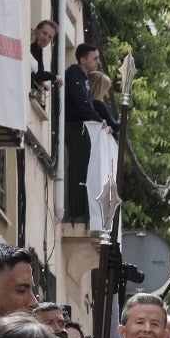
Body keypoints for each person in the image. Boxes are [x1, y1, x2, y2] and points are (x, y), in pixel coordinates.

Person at [64, 42, 103, 221]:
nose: (98, 62)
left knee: (83, 169)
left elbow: (87, 106)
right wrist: (99, 120)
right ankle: (76, 212)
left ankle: (80, 211)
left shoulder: (84, 77)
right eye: (94, 58)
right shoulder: (74, 74)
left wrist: (99, 120)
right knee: (78, 169)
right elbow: (81, 104)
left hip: (81, 128)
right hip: (74, 127)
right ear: (82, 59)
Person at [30, 18, 57, 89]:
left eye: (49, 37)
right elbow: (39, 73)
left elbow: (39, 72)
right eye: (44, 33)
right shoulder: (28, 44)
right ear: (36, 30)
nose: (46, 38)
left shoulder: (38, 49)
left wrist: (41, 83)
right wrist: (55, 77)